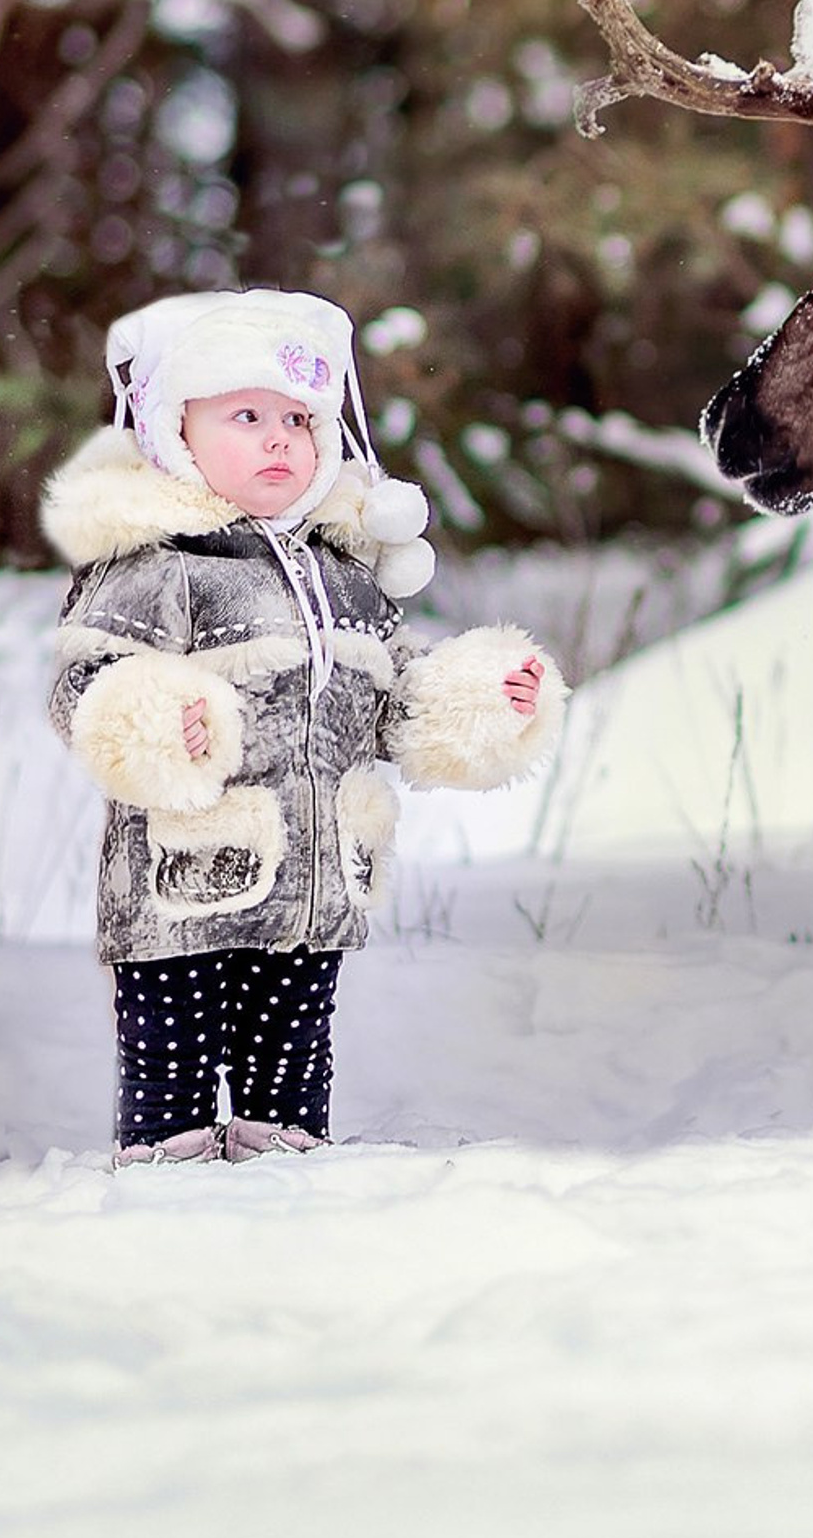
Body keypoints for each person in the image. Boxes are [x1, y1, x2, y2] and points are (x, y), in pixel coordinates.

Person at [41, 288, 566, 1166]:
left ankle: (286, 1196)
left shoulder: (343, 572)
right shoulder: (158, 563)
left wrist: (483, 699)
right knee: (172, 1103)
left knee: (288, 1118)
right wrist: (160, 723)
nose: (279, 437)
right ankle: (161, 1195)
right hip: (182, 892)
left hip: (314, 892)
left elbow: (396, 697)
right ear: (175, 430)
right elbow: (84, 686)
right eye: (247, 415)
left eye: (297, 416)